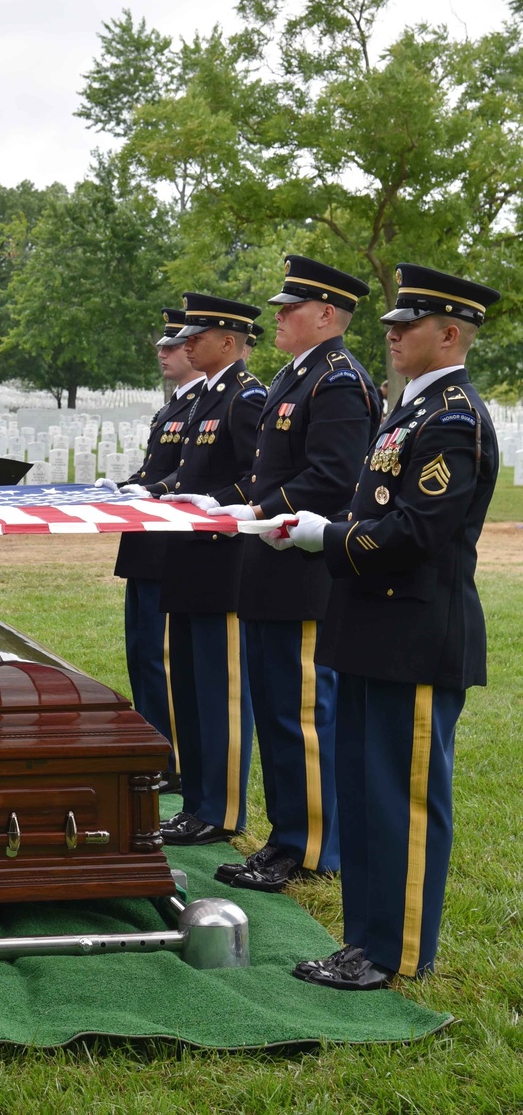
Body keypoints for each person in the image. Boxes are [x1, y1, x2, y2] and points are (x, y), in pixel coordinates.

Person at [270, 265, 500, 989]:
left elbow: (414, 532)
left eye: (408, 325)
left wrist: (325, 538)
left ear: (450, 334)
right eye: (393, 323)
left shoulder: (454, 415)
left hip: (416, 634)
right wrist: (329, 527)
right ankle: (363, 940)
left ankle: (396, 951)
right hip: (372, 627)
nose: (391, 334)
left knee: (400, 798)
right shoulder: (409, 410)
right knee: (366, 795)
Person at [213, 256, 381, 892]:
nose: (278, 316)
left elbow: (335, 477)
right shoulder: (299, 375)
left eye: (291, 308)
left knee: (302, 713)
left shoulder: (337, 380)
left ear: (328, 316)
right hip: (270, 566)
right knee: (275, 706)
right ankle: (287, 836)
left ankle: (310, 847)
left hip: (305, 569)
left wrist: (257, 508)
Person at [147, 294, 266, 845]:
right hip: (188, 560)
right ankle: (196, 801)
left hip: (222, 565)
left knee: (219, 695)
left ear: (228, 340)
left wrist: (217, 503)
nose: (185, 342)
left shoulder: (245, 396)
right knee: (190, 691)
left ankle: (221, 810)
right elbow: (188, 474)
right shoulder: (202, 399)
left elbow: (255, 477)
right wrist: (154, 493)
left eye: (197, 335)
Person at [108, 307, 205, 788]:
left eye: (173, 346)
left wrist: (152, 490)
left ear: (194, 349)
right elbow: (154, 472)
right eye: (163, 346)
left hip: (171, 553)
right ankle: (153, 748)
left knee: (162, 661)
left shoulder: (200, 406)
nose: (164, 354)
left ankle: (174, 759)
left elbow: (186, 478)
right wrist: (121, 488)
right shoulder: (172, 406)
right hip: (146, 549)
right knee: (143, 656)